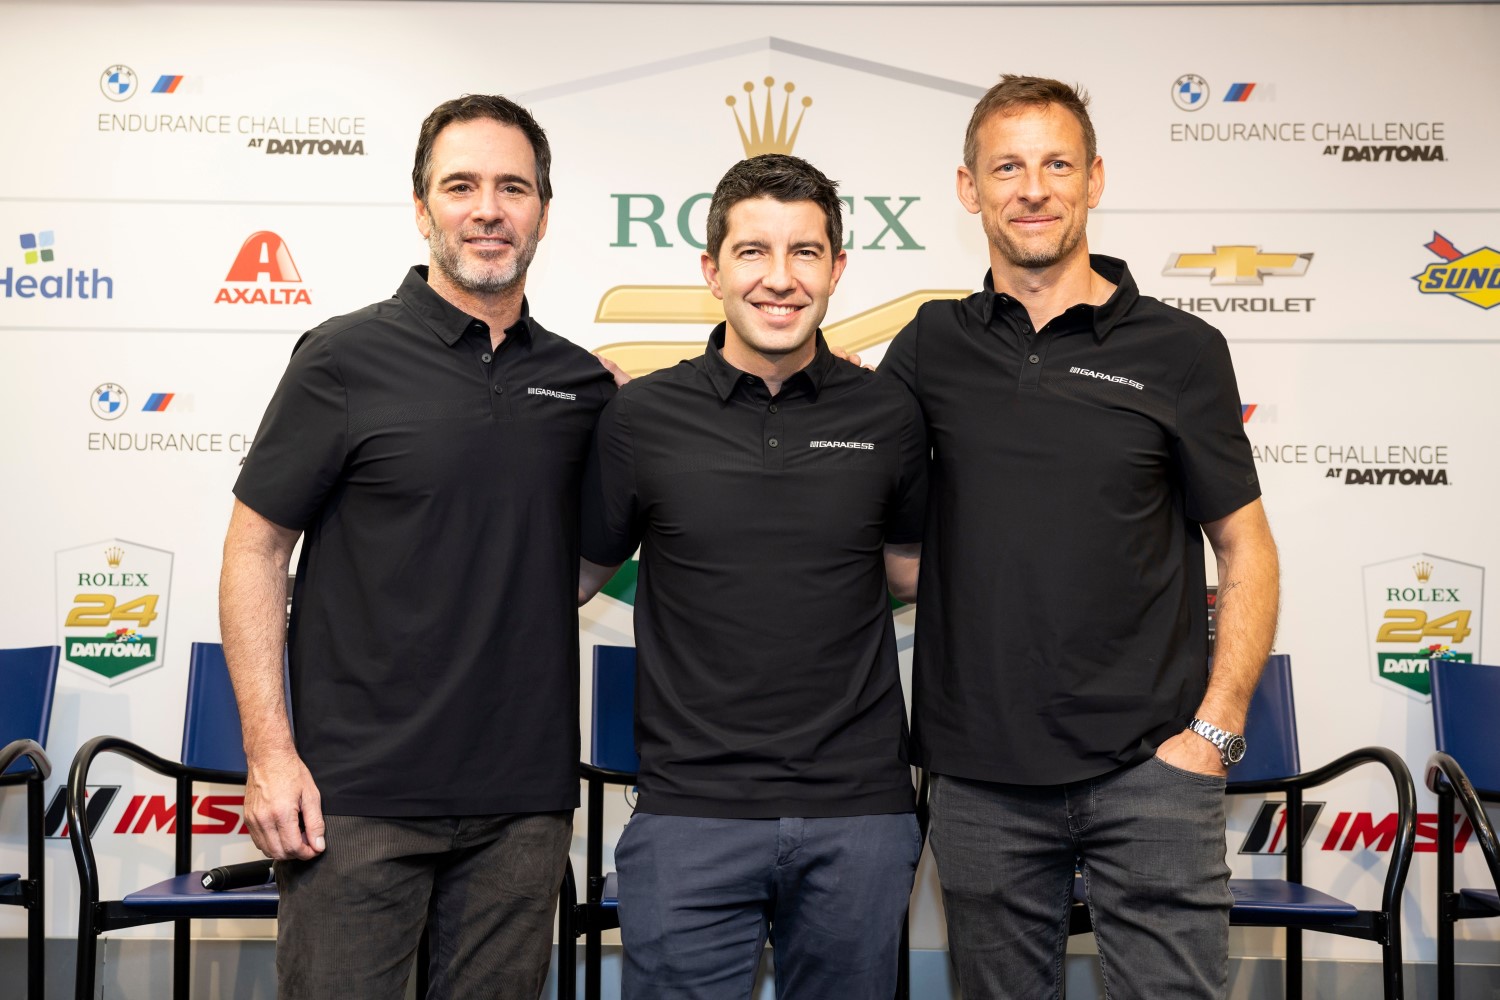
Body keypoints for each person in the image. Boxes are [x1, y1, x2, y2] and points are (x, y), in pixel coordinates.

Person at [879, 75, 1280, 999]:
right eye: (1007, 166)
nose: (1033, 188)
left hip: (1152, 771)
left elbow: (1247, 547)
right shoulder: (929, 345)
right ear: (968, 188)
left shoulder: (1181, 351)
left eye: (1057, 163)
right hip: (979, 777)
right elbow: (846, 474)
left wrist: (1214, 733)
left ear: (1095, 179)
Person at [219, 94, 616, 1000]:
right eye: (461, 185)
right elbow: (254, 550)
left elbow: (584, 561)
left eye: (513, 187)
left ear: (543, 212)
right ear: (420, 206)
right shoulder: (343, 359)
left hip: (521, 803)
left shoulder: (580, 384)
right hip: (354, 799)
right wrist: (270, 757)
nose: (488, 208)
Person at [578, 153, 927, 1000]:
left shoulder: (889, 414)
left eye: (806, 253)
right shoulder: (641, 417)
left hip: (860, 816)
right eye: (753, 252)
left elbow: (913, 575)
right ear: (712, 270)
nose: (780, 279)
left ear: (838, 269)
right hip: (689, 815)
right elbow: (570, 580)